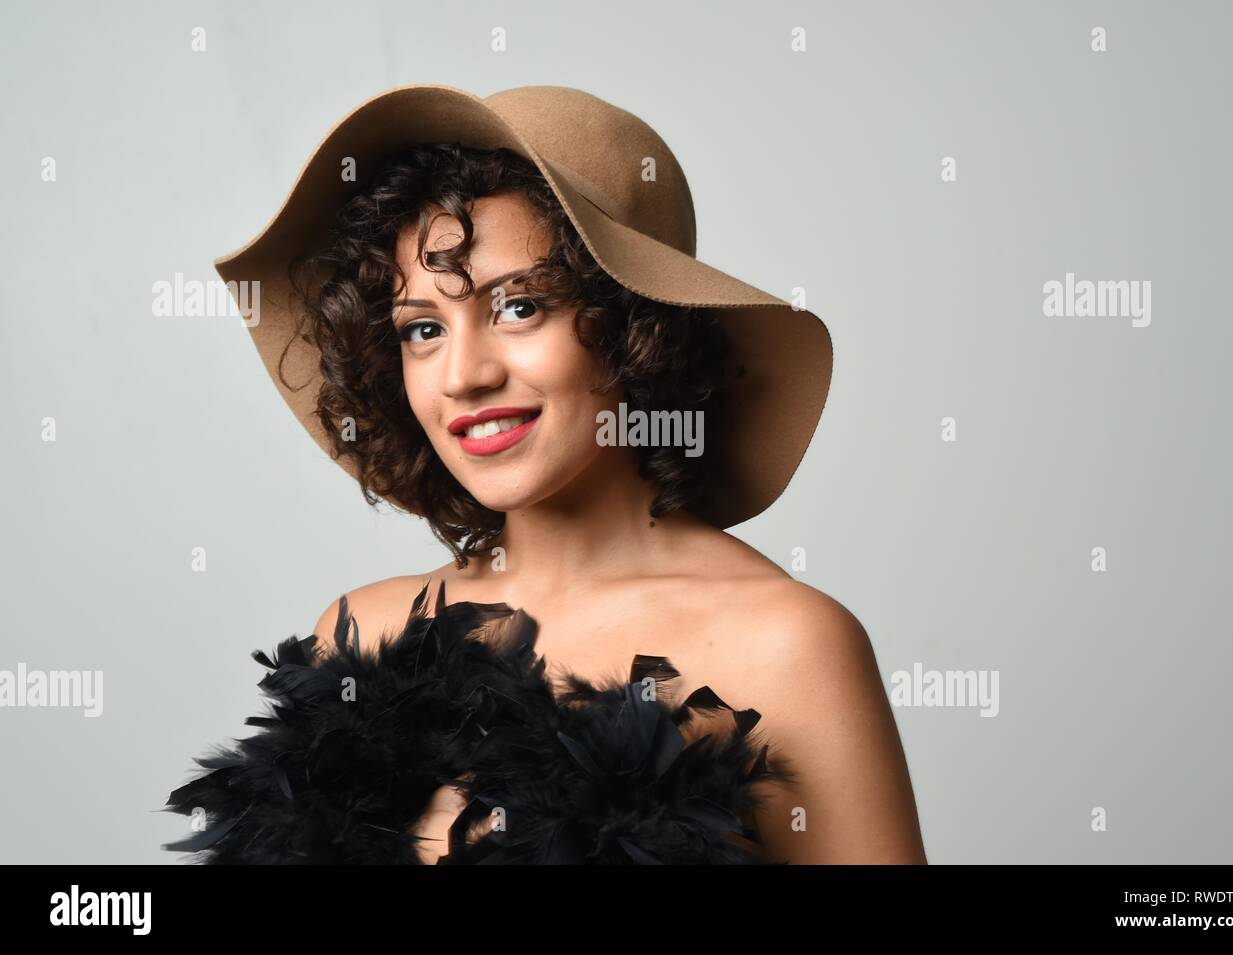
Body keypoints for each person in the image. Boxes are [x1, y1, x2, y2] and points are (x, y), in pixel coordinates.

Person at [164, 84, 926, 865]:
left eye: (519, 307)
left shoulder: (786, 646)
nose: (463, 374)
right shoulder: (361, 637)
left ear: (635, 325)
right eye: (422, 328)